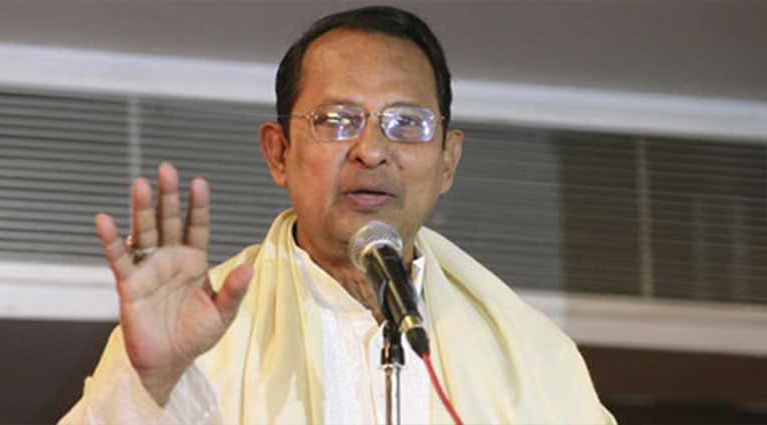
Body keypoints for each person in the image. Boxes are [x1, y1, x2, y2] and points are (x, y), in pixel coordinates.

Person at [61, 5, 615, 425]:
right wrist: (151, 383)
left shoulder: (533, 355)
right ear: (279, 152)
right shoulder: (198, 337)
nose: (371, 150)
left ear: (448, 161)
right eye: (337, 120)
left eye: (407, 123)